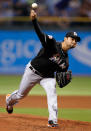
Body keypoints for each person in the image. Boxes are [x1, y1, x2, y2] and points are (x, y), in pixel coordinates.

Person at [6, 9, 80, 128]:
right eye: (72, 38)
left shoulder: (66, 61)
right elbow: (40, 34)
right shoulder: (52, 43)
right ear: (66, 38)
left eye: (76, 41)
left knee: (52, 92)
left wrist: (64, 76)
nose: (74, 41)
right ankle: (9, 101)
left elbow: (61, 74)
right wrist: (34, 20)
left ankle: (52, 120)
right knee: (21, 95)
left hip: (47, 76)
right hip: (33, 71)